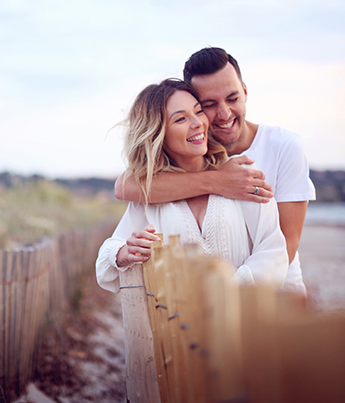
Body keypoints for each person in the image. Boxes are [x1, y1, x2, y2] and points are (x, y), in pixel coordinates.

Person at [114, 48, 315, 295]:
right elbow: (125, 186)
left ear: (245, 92)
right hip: (201, 311)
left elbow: (286, 246)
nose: (224, 114)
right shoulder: (190, 147)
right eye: (208, 105)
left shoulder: (284, 145)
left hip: (278, 297)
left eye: (232, 99)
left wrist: (224, 297)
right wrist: (217, 181)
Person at [96, 79, 288, 293]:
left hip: (244, 319)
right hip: (177, 323)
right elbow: (106, 261)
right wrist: (124, 253)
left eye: (198, 111)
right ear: (158, 134)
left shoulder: (241, 175)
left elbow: (273, 250)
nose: (197, 123)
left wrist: (226, 296)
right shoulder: (153, 194)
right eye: (180, 119)